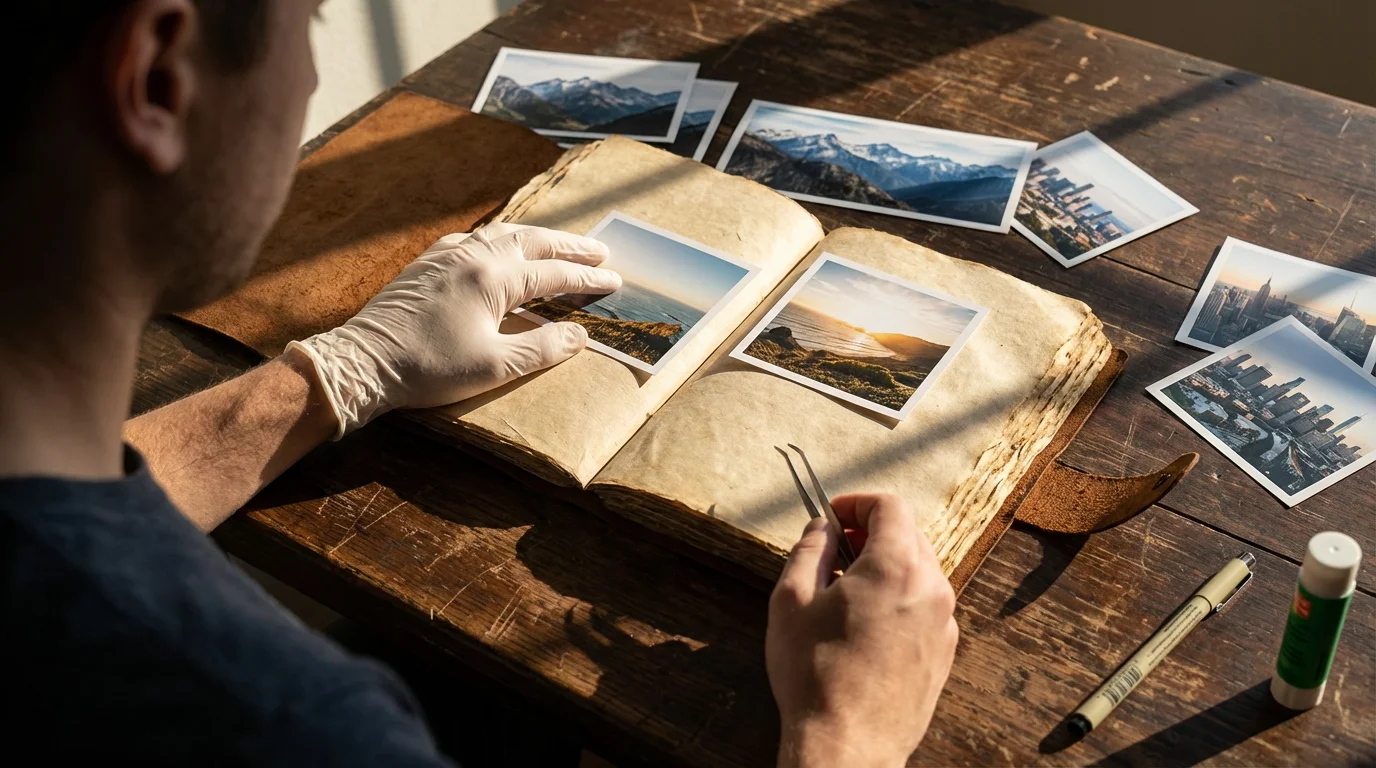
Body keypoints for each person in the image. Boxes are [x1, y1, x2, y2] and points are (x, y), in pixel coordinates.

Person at [0, 1, 958, 765]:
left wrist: (337, 373)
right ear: (159, 76)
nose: (311, 78)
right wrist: (849, 739)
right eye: (312, 21)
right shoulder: (290, 724)